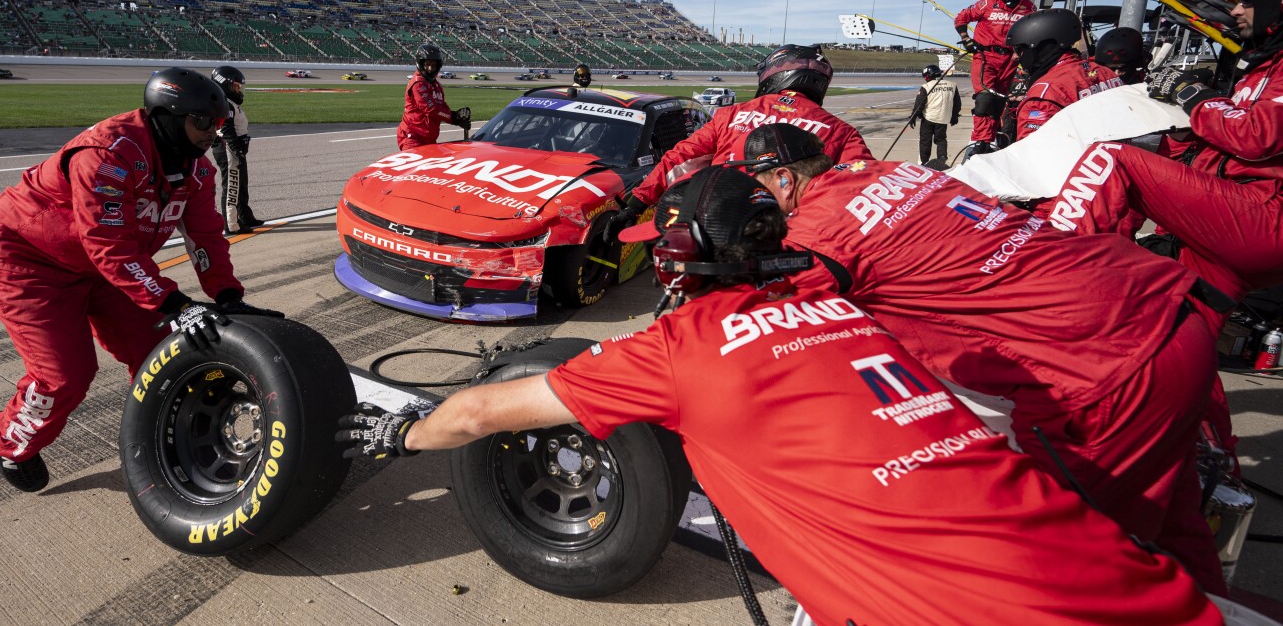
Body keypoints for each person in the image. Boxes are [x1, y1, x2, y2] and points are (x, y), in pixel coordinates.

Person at [339, 167, 1225, 625]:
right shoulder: (851, 313)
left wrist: (398, 439)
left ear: (683, 260)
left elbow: (478, 413)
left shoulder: (680, 350)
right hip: (1135, 587)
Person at [736, 122, 1232, 594]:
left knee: (1062, 567)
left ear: (784, 178)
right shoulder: (899, 171)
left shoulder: (820, 227)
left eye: (758, 191)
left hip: (1102, 370)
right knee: (1173, 534)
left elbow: (758, 309)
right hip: (1166, 311)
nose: (756, 206)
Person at [0, 67, 283, 493]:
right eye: (202, 124)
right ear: (168, 117)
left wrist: (227, 295)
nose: (212, 135)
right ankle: (10, 439)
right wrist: (177, 305)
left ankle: (163, 436)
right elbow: (108, 244)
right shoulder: (107, 154)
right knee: (66, 375)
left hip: (106, 265)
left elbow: (206, 235)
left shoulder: (196, 170)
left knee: (157, 349)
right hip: (28, 262)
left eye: (218, 125)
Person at [1048, 0, 1283, 305]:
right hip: (1238, 218)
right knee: (1176, 331)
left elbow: (1256, 136)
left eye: (1248, 0)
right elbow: (1234, 138)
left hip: (1262, 217)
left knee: (1112, 159)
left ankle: (1048, 270)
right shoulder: (1263, 68)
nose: (1236, 11)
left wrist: (1190, 93)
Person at [604, 44, 873, 238]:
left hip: (716, 223)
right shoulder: (841, 131)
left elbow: (679, 156)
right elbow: (865, 185)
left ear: (772, 74)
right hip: (790, 234)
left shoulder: (732, 114)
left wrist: (636, 205)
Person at [1005, 8, 1123, 143]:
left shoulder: (1044, 95)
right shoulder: (1106, 73)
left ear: (1041, 48)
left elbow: (1032, 154)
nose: (1014, 57)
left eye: (1019, 50)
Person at [955, 0, 1037, 150]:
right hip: (985, 57)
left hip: (1009, 60)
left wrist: (1022, 52)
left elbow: (1031, 31)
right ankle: (978, 140)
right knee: (984, 100)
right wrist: (966, 39)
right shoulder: (986, 4)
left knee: (999, 103)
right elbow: (961, 18)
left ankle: (989, 139)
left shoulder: (1029, 8)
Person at [209, 65, 264, 233]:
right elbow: (226, 129)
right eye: (235, 86)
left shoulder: (230, 102)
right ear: (224, 84)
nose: (238, 89)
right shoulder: (223, 103)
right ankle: (231, 225)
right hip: (228, 149)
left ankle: (245, 217)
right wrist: (237, 149)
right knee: (232, 186)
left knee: (241, 185)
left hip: (235, 149)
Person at [396, 43, 469, 150]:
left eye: (433, 65)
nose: (430, 68)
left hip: (428, 137)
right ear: (420, 64)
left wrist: (457, 119)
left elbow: (442, 106)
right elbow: (431, 109)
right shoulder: (418, 84)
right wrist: (453, 116)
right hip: (413, 138)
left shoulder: (436, 85)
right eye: (427, 64)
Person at [909, 63, 960, 164]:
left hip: (929, 118)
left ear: (929, 75)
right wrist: (954, 116)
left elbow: (919, 104)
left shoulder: (926, 86)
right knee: (941, 139)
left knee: (925, 140)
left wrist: (913, 117)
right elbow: (957, 103)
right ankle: (942, 158)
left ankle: (924, 162)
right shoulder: (952, 85)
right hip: (943, 118)